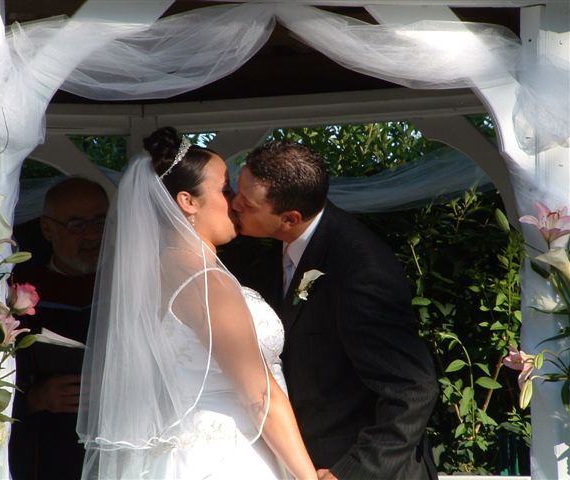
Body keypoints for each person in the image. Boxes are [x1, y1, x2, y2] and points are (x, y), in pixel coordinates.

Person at [77, 127, 316, 479]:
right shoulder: (206, 283)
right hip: (227, 458)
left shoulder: (153, 274)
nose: (235, 202)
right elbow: (261, 396)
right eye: (225, 189)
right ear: (188, 201)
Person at [231, 141, 439, 480]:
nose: (234, 203)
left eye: (247, 202)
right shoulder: (281, 246)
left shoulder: (360, 269)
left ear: (289, 219)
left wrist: (352, 472)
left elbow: (414, 388)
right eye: (238, 190)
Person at [9, 177, 109, 480]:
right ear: (47, 229)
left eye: (100, 222)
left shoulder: (129, 286)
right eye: (77, 224)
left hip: (120, 441)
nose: (91, 235)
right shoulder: (17, 293)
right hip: (48, 450)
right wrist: (34, 398)